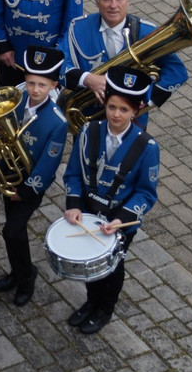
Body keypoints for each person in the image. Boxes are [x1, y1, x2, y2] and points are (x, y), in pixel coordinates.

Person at [63, 66, 159, 334]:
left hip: (119, 219)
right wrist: (73, 205)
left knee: (112, 266)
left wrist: (122, 220)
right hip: (89, 212)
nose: (116, 115)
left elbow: (146, 193)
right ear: (105, 103)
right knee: (89, 262)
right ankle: (92, 300)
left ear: (137, 110)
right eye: (112, 107)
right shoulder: (88, 131)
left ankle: (105, 308)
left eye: (124, 110)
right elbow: (73, 173)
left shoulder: (148, 147)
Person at [59, 0, 188, 129]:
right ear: (97, 2)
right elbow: (59, 62)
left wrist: (145, 100)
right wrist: (87, 79)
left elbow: (177, 71)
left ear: (128, 1)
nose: (113, 5)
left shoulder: (148, 32)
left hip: (132, 124)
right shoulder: (78, 27)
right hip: (88, 120)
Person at [0, 45, 68, 307]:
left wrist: (24, 191)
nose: (35, 90)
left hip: (29, 186)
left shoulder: (57, 121)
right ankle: (16, 272)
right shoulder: (16, 100)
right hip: (9, 175)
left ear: (53, 85)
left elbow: (48, 164)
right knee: (14, 230)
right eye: (31, 83)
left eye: (42, 85)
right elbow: (2, 129)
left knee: (12, 231)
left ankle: (26, 279)